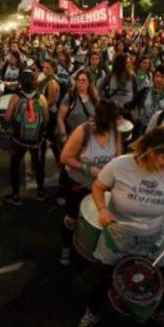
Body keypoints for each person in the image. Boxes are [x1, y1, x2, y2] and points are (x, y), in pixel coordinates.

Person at [77, 126, 164, 327]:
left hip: (154, 237)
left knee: (159, 279)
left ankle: (160, 311)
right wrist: (102, 209)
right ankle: (92, 313)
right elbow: (98, 187)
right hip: (117, 236)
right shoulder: (120, 165)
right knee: (102, 277)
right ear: (149, 150)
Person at [57, 99, 122, 265]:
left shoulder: (116, 131)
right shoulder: (83, 131)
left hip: (100, 184)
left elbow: (118, 158)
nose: (118, 122)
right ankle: (66, 248)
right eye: (115, 119)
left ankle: (92, 247)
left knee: (100, 217)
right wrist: (88, 169)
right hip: (77, 183)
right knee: (72, 218)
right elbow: (65, 157)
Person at [4, 70, 49, 206]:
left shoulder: (16, 97)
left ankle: (16, 195)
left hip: (19, 140)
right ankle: (40, 192)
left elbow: (7, 117)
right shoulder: (40, 97)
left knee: (15, 166)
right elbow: (46, 119)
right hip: (36, 140)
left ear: (20, 82)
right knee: (39, 165)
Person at [57, 69, 99, 136]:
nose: (80, 82)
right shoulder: (70, 96)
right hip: (72, 135)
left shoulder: (94, 98)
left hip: (89, 136)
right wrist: (63, 135)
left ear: (89, 82)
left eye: (83, 80)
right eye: (78, 80)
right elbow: (60, 117)